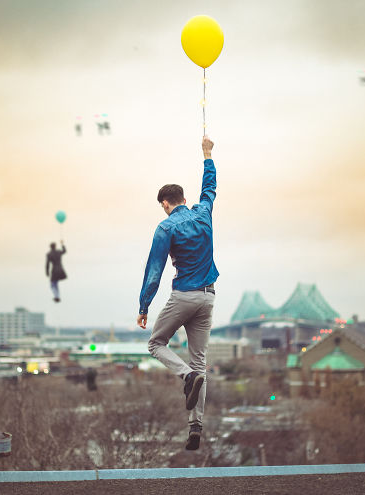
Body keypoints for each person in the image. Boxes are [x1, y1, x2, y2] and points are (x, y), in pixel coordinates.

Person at [137, 135, 218, 451]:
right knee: (201, 362)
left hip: (184, 295)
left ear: (166, 204)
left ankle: (185, 377)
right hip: (209, 297)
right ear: (184, 198)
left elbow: (154, 271)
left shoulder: (165, 227)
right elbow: (210, 188)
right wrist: (207, 154)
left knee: (156, 343)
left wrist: (144, 305)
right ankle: (195, 427)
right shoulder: (203, 213)